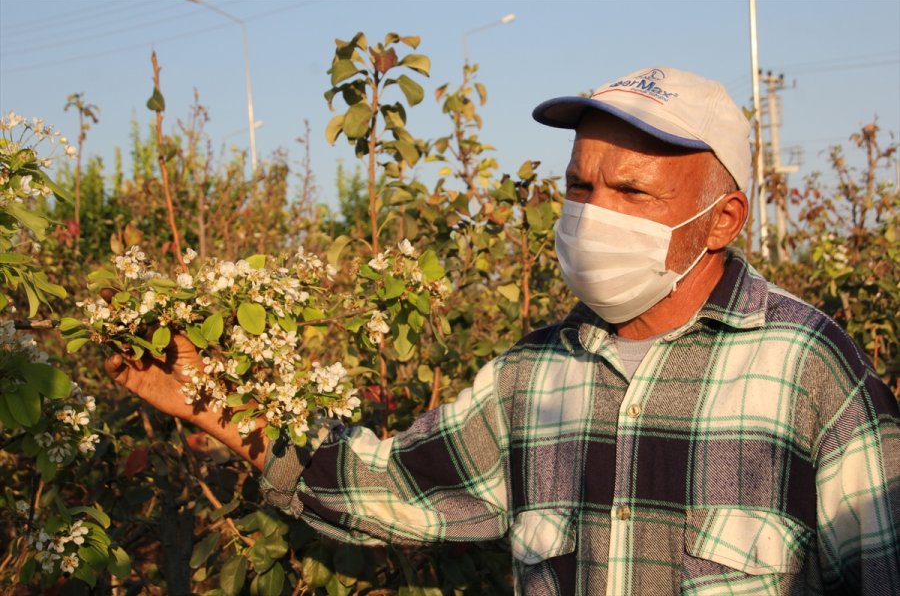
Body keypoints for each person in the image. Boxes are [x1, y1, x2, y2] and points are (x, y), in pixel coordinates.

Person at [107, 67, 900, 595]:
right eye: (579, 185)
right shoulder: (533, 377)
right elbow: (395, 491)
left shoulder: (810, 372)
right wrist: (218, 405)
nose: (594, 214)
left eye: (631, 191)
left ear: (721, 219)